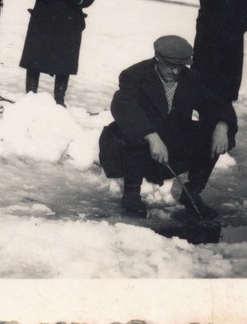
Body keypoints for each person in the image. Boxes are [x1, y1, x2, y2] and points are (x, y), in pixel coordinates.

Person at [98, 36, 238, 218]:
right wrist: (151, 136)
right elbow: (123, 106)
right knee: (134, 134)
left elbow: (215, 104)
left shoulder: (189, 78)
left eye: (180, 67)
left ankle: (192, 193)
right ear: (157, 58)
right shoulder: (134, 75)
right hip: (137, 145)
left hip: (171, 139)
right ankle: (131, 194)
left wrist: (222, 125)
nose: (175, 71)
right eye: (171, 65)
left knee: (210, 133)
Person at [19, 0, 95, 107]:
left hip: (69, 24)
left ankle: (59, 100)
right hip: (43, 21)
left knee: (65, 61)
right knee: (35, 59)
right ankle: (30, 96)